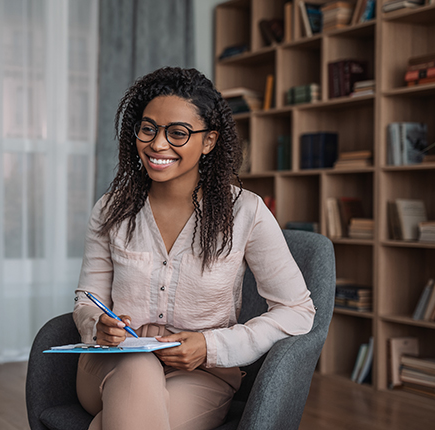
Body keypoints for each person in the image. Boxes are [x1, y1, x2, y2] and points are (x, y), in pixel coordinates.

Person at [73, 67, 315, 430]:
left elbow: (298, 310)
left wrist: (212, 346)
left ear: (209, 141)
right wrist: (98, 326)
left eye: (178, 133)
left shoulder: (245, 212)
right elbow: (86, 298)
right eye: (148, 128)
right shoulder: (112, 209)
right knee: (138, 368)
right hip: (111, 363)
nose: (157, 144)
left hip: (202, 374)